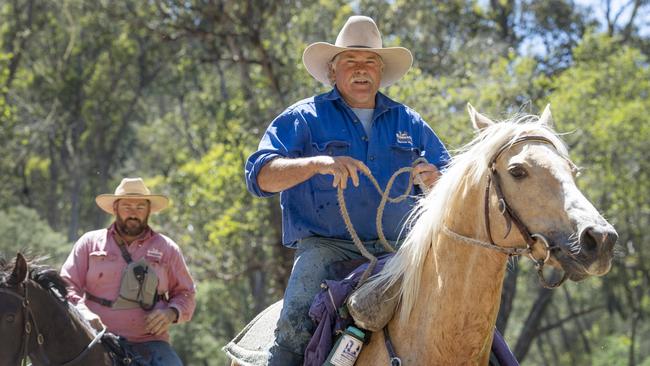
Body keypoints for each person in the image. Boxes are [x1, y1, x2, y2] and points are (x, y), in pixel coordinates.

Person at [245, 15, 450, 365]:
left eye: (369, 61)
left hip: (400, 250)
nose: (360, 69)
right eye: (350, 62)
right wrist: (316, 164)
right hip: (326, 248)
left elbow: (454, 185)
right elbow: (260, 176)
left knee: (458, 319)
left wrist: (437, 182)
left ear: (380, 71)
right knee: (294, 330)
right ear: (332, 71)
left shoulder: (410, 122)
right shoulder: (304, 117)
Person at [61, 177, 196, 366]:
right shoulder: (89, 242)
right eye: (127, 206)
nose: (133, 213)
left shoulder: (167, 248)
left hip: (150, 343)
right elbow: (64, 287)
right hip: (94, 338)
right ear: (115, 208)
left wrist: (171, 313)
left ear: (149, 210)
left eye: (140, 207)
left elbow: (186, 294)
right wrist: (84, 315)